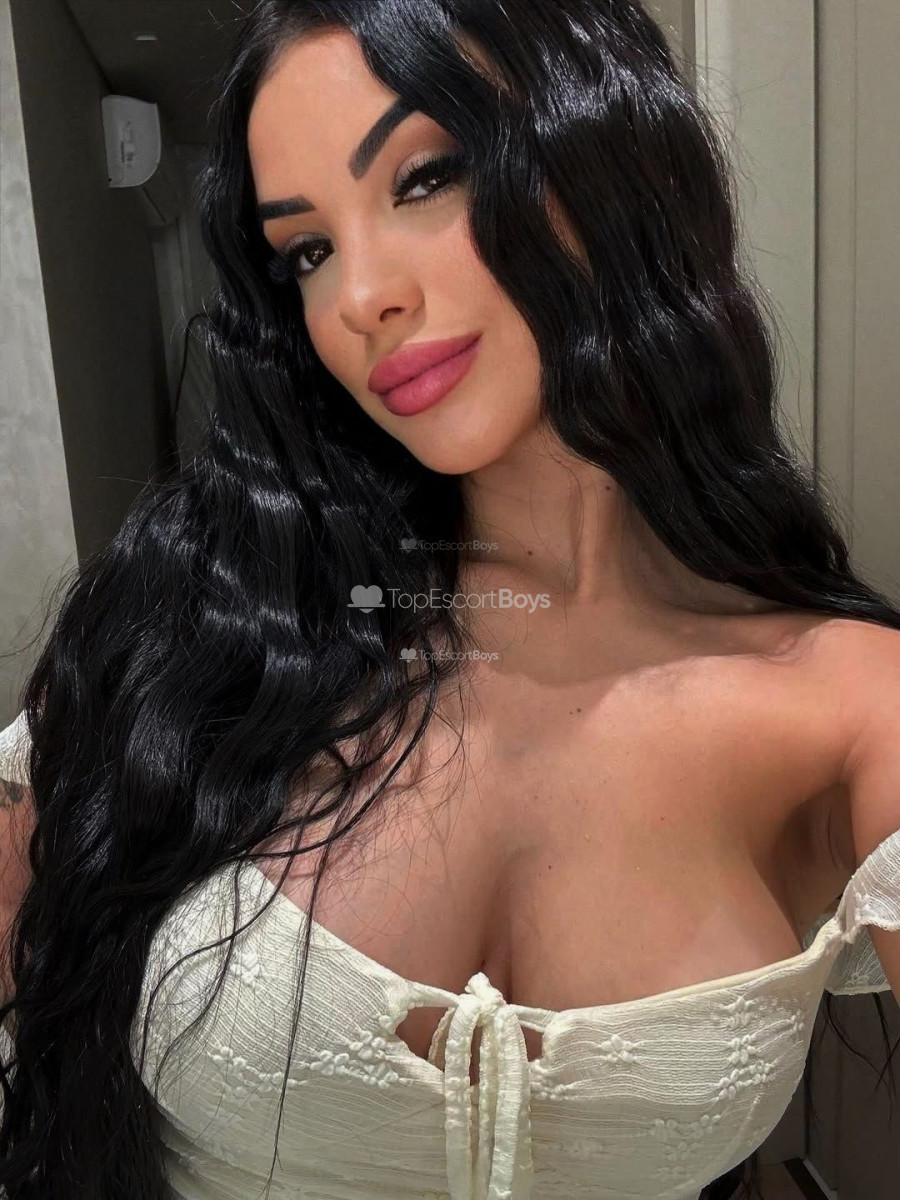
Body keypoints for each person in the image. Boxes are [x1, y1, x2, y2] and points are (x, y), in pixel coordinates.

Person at [1, 3, 898, 1198]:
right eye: (306, 251)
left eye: (425, 177)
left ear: (606, 155)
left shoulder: (851, 704)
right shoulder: (192, 624)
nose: (360, 295)